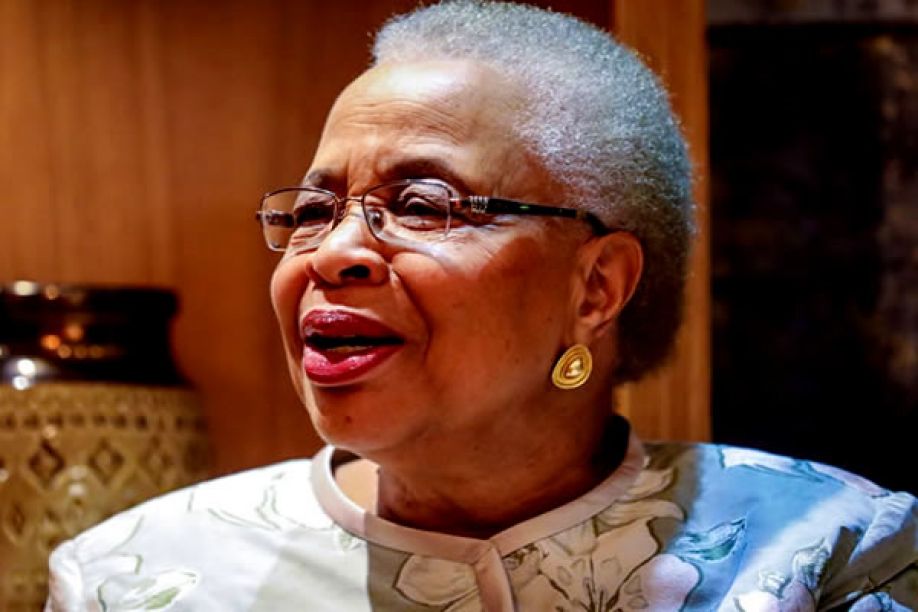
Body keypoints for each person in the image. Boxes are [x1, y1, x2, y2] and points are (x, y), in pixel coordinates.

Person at [46, 2, 917, 610]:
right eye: (313, 211)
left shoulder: (827, 554)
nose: (336, 252)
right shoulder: (132, 579)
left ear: (596, 288)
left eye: (423, 205)